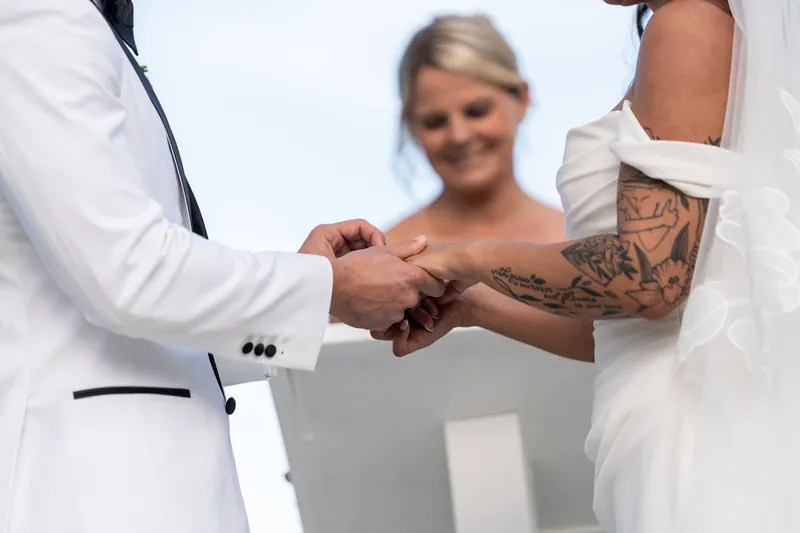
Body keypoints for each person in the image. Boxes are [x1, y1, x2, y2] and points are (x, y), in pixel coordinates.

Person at [0, 1, 445, 532]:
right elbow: (126, 273)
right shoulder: (37, 15)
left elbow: (120, 303)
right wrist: (321, 290)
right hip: (92, 492)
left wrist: (319, 298)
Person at [378, 0, 800, 530]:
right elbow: (634, 318)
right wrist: (473, 307)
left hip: (690, 431)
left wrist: (467, 256)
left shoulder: (688, 24)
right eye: (435, 120)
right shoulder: (720, 36)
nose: (460, 134)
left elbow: (648, 281)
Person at [387, 14, 595, 360]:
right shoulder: (390, 255)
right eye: (435, 121)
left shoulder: (580, 240)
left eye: (477, 111)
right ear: (411, 127)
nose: (460, 135)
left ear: (522, 100)